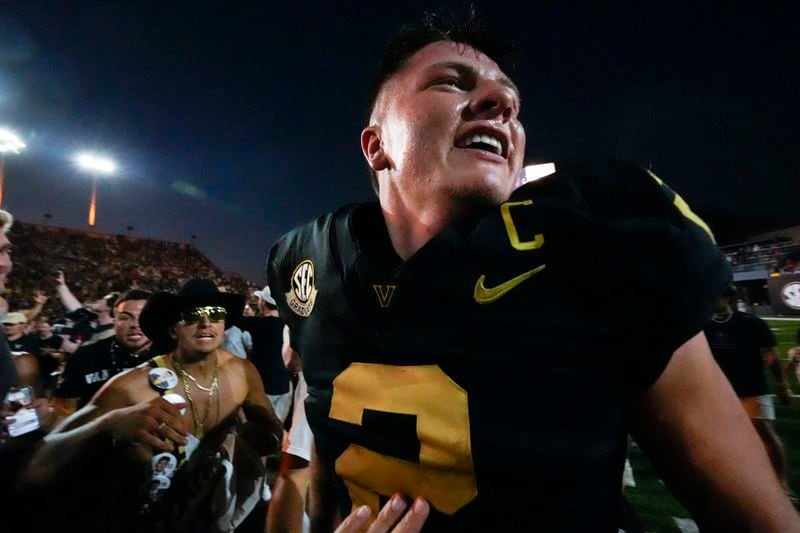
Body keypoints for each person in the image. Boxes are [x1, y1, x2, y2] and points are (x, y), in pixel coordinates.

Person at [266, 8, 800, 531]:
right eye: (451, 83)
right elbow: (323, 456)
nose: (501, 103)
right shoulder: (309, 261)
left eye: (512, 102)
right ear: (377, 145)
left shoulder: (592, 241)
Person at [20, 278, 284, 531]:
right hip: (138, 518)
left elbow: (271, 432)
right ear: (173, 329)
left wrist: (264, 436)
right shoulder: (133, 387)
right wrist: (109, 424)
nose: (206, 322)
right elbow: (40, 464)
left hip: (211, 515)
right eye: (192, 315)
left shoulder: (243, 372)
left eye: (215, 312)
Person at [705, 284, 793, 492]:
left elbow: (770, 355)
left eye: (714, 297)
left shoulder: (751, 323)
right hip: (722, 392)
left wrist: (781, 383)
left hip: (752, 388)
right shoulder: (705, 326)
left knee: (764, 433)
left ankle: (782, 482)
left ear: (727, 299)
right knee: (728, 436)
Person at [51, 289, 154, 416]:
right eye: (125, 318)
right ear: (114, 321)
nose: (135, 325)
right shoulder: (85, 356)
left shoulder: (174, 355)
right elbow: (62, 411)